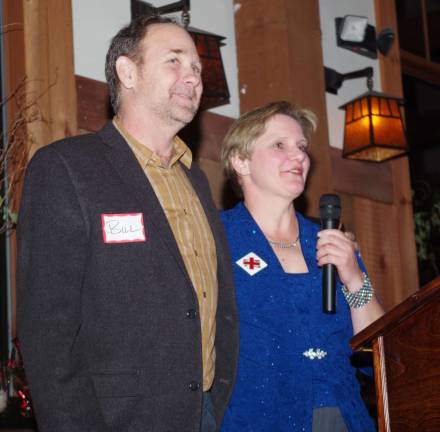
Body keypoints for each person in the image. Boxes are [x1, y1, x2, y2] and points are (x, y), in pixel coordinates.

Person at [17, 15, 238, 432]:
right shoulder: (67, 167)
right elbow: (48, 330)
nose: (192, 76)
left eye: (196, 67)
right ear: (127, 71)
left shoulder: (195, 179)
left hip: (204, 413)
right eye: (174, 61)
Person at [219, 101, 384, 431]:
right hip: (257, 419)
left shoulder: (330, 240)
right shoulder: (217, 238)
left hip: (345, 415)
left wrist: (353, 278)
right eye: (279, 145)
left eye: (302, 147)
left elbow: (380, 354)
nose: (298, 157)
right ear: (241, 160)